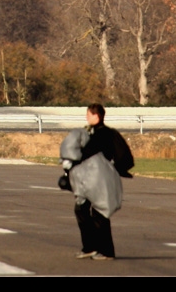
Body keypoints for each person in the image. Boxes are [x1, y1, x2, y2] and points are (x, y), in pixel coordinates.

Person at [61, 103, 133, 261]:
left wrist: (113, 170)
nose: (87, 117)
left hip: (100, 180)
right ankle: (90, 247)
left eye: (89, 114)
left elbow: (119, 156)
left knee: (99, 213)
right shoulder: (92, 133)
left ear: (97, 116)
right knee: (82, 210)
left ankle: (106, 251)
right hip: (88, 180)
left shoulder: (105, 134)